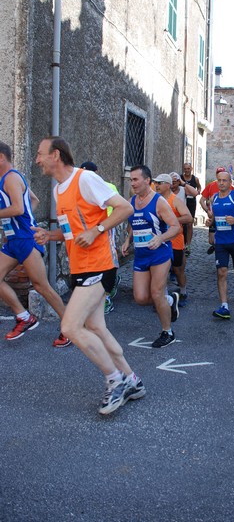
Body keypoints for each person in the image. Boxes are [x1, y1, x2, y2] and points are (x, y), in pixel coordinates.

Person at [33, 136, 145, 415]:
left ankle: (114, 380)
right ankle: (131, 380)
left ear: (56, 155)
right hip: (80, 268)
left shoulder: (85, 180)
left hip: (100, 266)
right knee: (96, 328)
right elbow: (73, 232)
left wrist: (96, 231)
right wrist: (51, 235)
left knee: (70, 327)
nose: (37, 160)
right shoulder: (60, 190)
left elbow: (125, 208)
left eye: (40, 154)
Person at [0, 141, 70, 347]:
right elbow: (34, 200)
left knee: (42, 286)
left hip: (25, 239)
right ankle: (24, 317)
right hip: (14, 239)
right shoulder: (9, 178)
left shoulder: (11, 178)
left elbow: (18, 208)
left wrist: (23, 221)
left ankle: (70, 328)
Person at [121, 165, 181, 348]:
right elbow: (134, 224)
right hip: (141, 255)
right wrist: (127, 240)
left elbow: (176, 226)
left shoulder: (159, 202)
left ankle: (167, 332)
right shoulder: (131, 201)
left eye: (136, 179)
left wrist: (160, 238)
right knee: (140, 297)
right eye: (131, 180)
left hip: (160, 253)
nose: (133, 183)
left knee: (156, 292)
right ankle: (170, 300)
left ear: (147, 180)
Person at [206, 170, 234, 319]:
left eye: (224, 180)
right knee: (221, 272)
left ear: (230, 182)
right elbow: (214, 218)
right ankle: (224, 306)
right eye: (219, 180)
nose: (221, 183)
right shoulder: (214, 198)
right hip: (221, 242)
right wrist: (210, 224)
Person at [80, 161, 121, 315]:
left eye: (90, 172)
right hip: (93, 229)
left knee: (110, 257)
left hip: (108, 227)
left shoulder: (108, 186)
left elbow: (119, 207)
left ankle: (109, 291)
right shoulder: (82, 187)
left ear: (96, 172)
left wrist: (105, 226)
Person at [154, 174, 192, 307]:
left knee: (177, 269)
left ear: (168, 185)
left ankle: (183, 292)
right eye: (155, 183)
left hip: (175, 240)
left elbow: (188, 218)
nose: (156, 185)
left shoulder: (175, 200)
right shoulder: (154, 199)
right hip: (159, 241)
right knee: (160, 270)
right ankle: (162, 298)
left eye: (160, 183)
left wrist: (172, 220)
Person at [200, 166, 228, 255]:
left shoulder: (229, 186)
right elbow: (201, 200)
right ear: (216, 175)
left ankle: (221, 252)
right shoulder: (211, 185)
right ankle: (216, 246)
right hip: (213, 216)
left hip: (224, 216)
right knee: (211, 240)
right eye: (218, 174)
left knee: (223, 238)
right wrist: (207, 211)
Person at [180, 163, 201, 255]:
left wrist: (198, 191)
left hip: (191, 203)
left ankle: (188, 245)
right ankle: (181, 243)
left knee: (189, 224)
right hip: (182, 202)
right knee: (181, 223)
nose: (187, 170)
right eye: (185, 169)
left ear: (191, 168)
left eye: (188, 168)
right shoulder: (180, 178)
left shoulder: (195, 179)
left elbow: (199, 186)